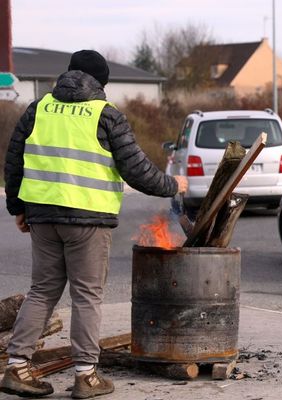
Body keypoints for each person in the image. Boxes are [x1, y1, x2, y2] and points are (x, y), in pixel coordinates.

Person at [1, 50, 188, 399]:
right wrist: (172, 185)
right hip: (88, 219)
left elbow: (14, 161)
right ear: (102, 82)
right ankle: (86, 376)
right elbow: (136, 169)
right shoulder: (106, 115)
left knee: (42, 290)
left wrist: (18, 207)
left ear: (68, 74)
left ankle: (16, 366)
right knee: (87, 295)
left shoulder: (37, 109)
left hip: (42, 215)